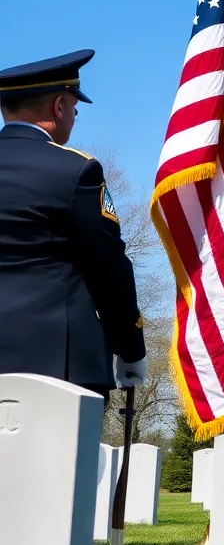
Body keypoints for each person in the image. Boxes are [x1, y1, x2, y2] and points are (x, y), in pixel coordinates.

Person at [0, 50, 145, 396]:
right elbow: (109, 268)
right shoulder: (75, 171)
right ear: (59, 106)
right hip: (55, 366)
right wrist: (130, 348)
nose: (76, 113)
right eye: (74, 104)